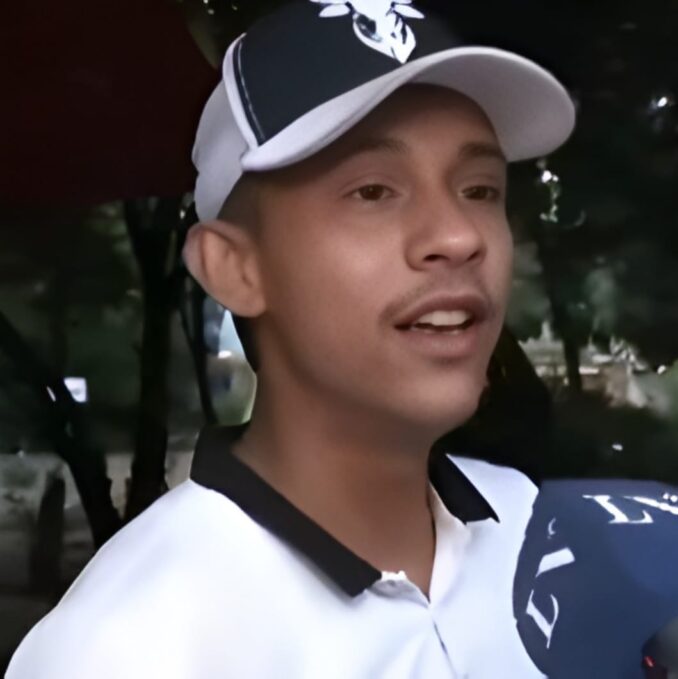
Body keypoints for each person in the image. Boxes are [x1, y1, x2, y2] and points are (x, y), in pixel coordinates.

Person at [6, 1, 575, 677]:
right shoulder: (126, 649)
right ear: (235, 268)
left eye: (480, 189)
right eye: (373, 191)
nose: (457, 236)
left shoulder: (540, 533)